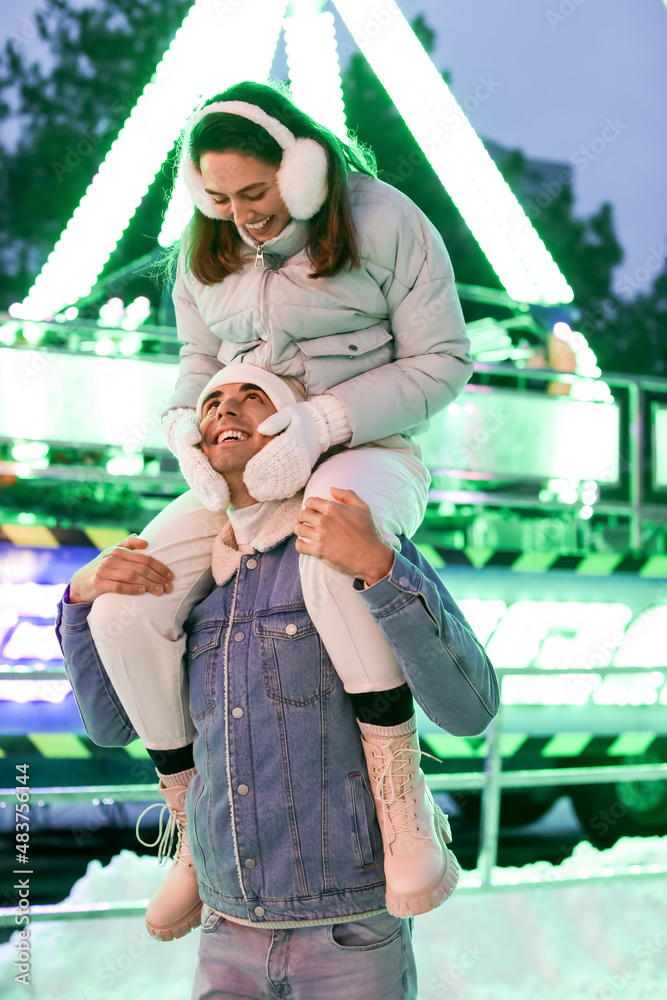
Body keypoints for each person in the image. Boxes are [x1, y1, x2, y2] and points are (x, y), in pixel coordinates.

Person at [82, 79, 474, 939]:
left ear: (300, 170)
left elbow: (442, 360)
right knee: (124, 600)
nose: (240, 215)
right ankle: (192, 831)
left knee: (329, 547)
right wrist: (187, 425)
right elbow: (195, 359)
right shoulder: (204, 249)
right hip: (245, 459)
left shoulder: (387, 222)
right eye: (217, 198)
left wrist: (325, 420)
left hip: (364, 450)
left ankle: (404, 812)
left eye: (254, 194)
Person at [57, 372, 499, 1000]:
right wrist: (78, 603)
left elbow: (469, 707)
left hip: (348, 934)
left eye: (252, 397)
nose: (223, 408)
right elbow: (109, 727)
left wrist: (379, 565)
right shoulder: (188, 595)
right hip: (225, 930)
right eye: (210, 402)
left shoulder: (351, 549)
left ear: (295, 431)